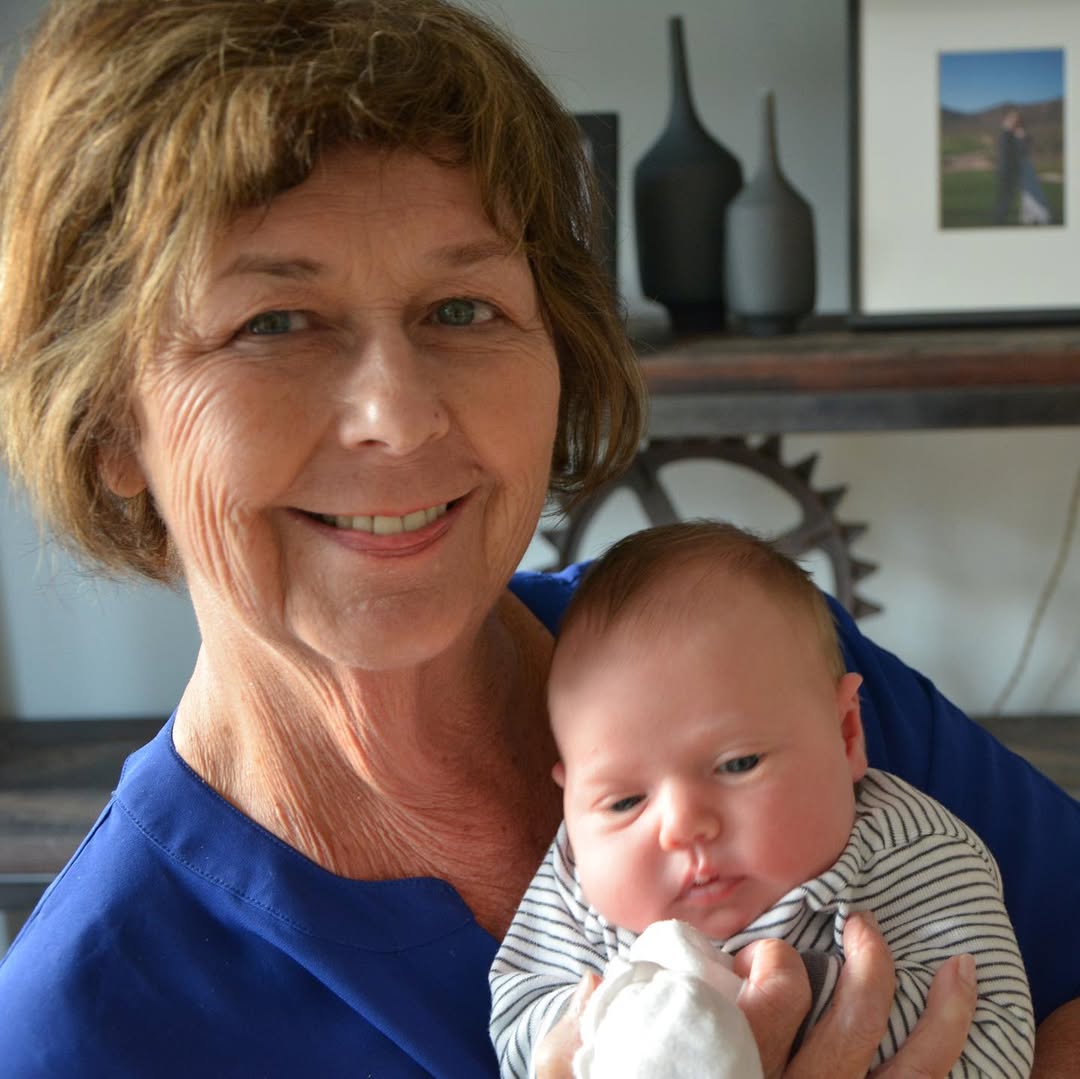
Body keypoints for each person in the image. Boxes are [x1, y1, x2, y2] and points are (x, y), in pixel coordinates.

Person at [0, 0, 1075, 1075]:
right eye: (273, 323)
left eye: (461, 308)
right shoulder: (86, 1021)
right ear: (107, 422)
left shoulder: (752, 661)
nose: (401, 413)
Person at [490, 522, 1035, 1078]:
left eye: (738, 764)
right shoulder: (574, 884)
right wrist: (614, 1027)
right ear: (572, 801)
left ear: (847, 733)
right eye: (624, 801)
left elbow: (990, 1027)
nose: (681, 826)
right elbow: (520, 1011)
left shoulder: (907, 849)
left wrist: (748, 1009)